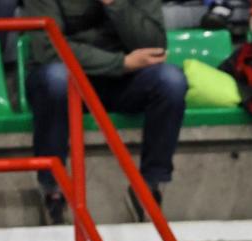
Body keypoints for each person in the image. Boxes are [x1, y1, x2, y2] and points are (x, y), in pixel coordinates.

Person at [25, 0, 188, 225]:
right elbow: (49, 48)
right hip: (69, 77)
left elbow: (154, 45)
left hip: (124, 81)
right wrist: (120, 62)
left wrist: (115, 4)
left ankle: (149, 187)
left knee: (171, 81)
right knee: (56, 79)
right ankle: (52, 189)